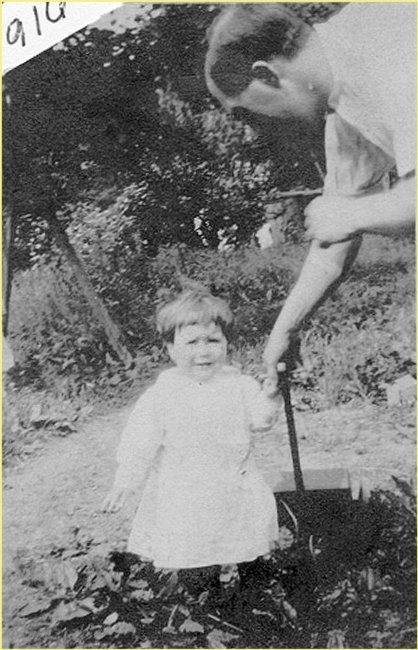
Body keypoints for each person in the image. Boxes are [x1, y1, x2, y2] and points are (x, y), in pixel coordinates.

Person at [205, 2, 416, 382]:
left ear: (266, 74)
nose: (254, 129)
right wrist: (286, 329)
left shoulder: (388, 46)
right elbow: (333, 236)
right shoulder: (342, 98)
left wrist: (350, 216)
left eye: (246, 113)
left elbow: (345, 216)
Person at [102, 289, 281, 583]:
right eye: (192, 342)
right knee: (195, 554)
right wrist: (126, 481)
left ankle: (254, 594)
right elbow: (140, 441)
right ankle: (204, 597)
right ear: (171, 349)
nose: (204, 351)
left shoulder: (240, 386)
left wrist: (271, 396)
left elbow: (261, 421)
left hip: (234, 483)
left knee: (247, 542)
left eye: (213, 341)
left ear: (227, 343)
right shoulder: (162, 395)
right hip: (186, 492)